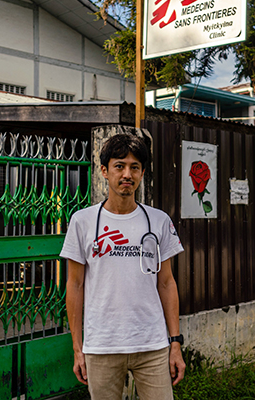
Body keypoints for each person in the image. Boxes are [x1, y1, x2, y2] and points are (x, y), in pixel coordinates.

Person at [60, 133, 186, 400]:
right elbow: (75, 284)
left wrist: (175, 343)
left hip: (152, 344)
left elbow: (166, 283)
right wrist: (77, 347)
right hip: (101, 346)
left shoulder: (159, 221)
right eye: (119, 166)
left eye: (135, 167)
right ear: (104, 171)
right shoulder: (82, 221)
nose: (127, 174)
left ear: (142, 173)